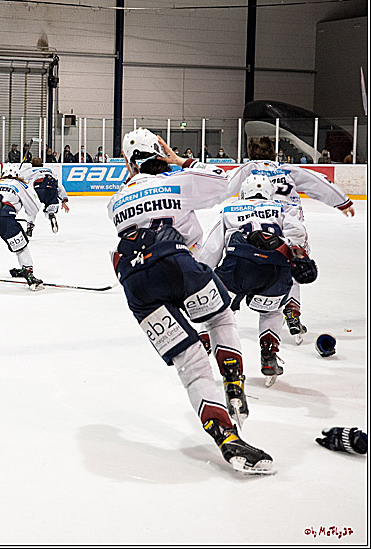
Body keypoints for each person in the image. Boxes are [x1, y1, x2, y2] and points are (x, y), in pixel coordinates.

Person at [107, 129, 272, 474]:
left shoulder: (116, 200)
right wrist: (181, 160)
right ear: (160, 153)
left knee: (190, 363)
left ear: (127, 161)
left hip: (135, 284)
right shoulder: (177, 180)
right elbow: (224, 183)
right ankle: (233, 382)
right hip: (176, 263)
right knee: (219, 318)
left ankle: (227, 437)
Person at [226, 136, 355, 343]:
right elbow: (318, 182)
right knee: (294, 268)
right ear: (274, 153)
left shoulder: (248, 169)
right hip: (293, 225)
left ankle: (225, 313)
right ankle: (293, 311)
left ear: (251, 154)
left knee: (249, 264)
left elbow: (224, 184)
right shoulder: (287, 170)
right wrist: (342, 202)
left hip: (261, 224)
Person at [197, 174, 315, 388]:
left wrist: (201, 275)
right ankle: (269, 355)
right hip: (273, 272)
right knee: (271, 311)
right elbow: (298, 234)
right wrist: (301, 257)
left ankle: (204, 343)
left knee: (219, 311)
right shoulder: (280, 209)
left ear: (243, 193)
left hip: (236, 270)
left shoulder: (230, 209)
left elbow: (211, 250)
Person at [24, 158, 69, 233]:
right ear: (42, 164)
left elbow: (20, 179)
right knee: (50, 209)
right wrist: (64, 199)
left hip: (38, 190)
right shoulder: (50, 170)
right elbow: (59, 185)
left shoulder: (29, 171)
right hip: (52, 191)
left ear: (32, 164)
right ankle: (51, 215)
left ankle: (30, 227)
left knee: (32, 209)